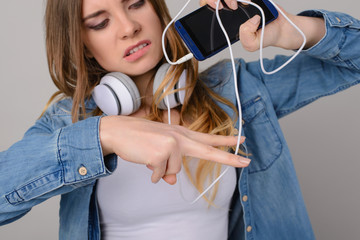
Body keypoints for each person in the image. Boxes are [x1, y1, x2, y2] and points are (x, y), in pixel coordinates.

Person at [0, 0, 359, 239]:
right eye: (101, 22)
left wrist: (287, 30)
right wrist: (103, 135)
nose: (129, 27)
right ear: (81, 43)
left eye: (136, 3)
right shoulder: (68, 121)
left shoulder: (236, 90)